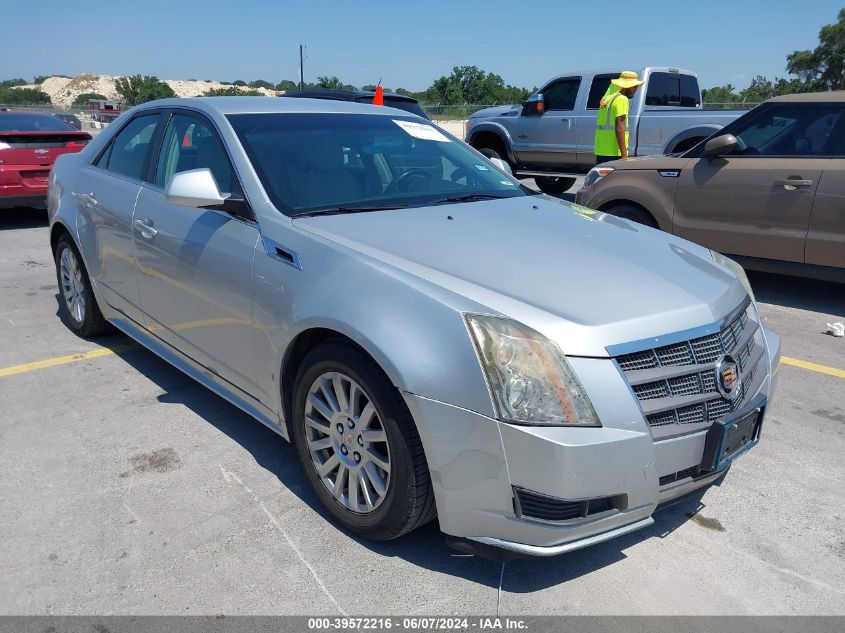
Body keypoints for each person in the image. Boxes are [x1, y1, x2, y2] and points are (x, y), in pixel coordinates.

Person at [594, 71, 644, 165]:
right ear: (627, 86)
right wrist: (624, 156)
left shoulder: (607, 99)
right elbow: (620, 128)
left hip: (601, 151)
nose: (636, 89)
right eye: (634, 86)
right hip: (614, 152)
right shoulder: (622, 99)